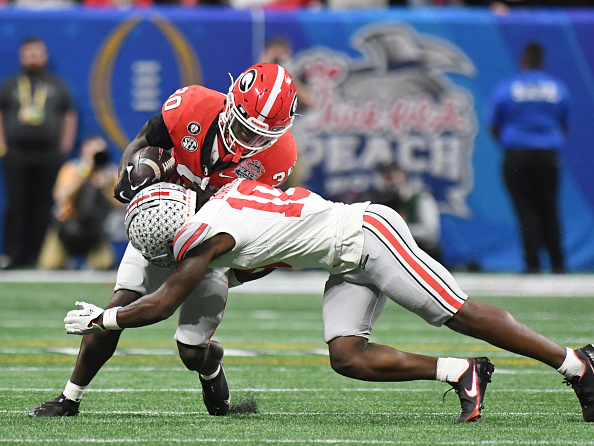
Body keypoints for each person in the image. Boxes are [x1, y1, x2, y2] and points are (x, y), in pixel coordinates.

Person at [63, 179, 594, 423]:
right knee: (346, 355)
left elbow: (159, 304)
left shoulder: (210, 238)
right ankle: (462, 372)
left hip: (367, 235)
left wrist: (103, 315)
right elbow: (275, 235)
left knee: (454, 311)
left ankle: (577, 365)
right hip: (343, 255)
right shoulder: (221, 199)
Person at [28, 62, 299, 418]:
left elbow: (252, 219)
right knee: (117, 305)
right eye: (244, 129)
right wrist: (131, 178)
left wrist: (237, 267)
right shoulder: (192, 106)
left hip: (209, 244)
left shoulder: (278, 157)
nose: (250, 142)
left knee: (190, 351)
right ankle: (69, 398)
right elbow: (142, 143)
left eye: (261, 137)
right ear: (230, 104)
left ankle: (209, 363)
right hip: (162, 225)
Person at [488, 42, 570, 274]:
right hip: (548, 155)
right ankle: (558, 263)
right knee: (550, 208)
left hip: (517, 155)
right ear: (542, 62)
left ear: (522, 61)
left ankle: (532, 264)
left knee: (526, 210)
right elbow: (564, 125)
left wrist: (512, 145)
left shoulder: (508, 87)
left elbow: (494, 125)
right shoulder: (557, 88)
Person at [0, 36, 78, 269]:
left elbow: (69, 116)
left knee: (43, 205)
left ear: (44, 56)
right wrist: (3, 146)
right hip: (16, 153)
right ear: (22, 57)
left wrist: (63, 149)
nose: (33, 58)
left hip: (48, 154)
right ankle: (12, 255)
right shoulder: (11, 85)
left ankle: (39, 257)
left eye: (37, 53)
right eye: (29, 53)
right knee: (16, 204)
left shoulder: (57, 85)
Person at [37, 135, 121, 270]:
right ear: (84, 150)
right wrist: (83, 175)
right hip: (67, 227)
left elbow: (119, 205)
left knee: (103, 265)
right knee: (50, 265)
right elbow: (61, 196)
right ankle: (67, 261)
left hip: (95, 231)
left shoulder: (110, 173)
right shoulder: (71, 168)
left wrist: (105, 186)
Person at [375, 162, 441, 261]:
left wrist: (399, 230)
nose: (390, 183)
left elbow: (430, 232)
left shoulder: (419, 198)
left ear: (403, 177)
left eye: (392, 177)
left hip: (423, 253)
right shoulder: (383, 202)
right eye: (386, 179)